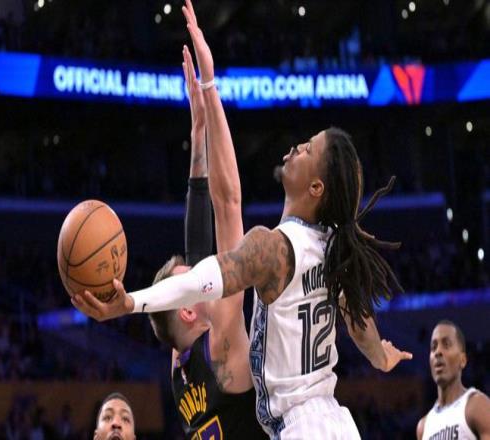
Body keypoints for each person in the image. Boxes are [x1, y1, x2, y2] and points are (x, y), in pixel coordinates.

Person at [72, 1, 413, 437]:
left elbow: (220, 226)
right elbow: (356, 318)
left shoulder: (271, 253)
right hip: (334, 421)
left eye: (308, 148)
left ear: (316, 188)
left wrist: (130, 303)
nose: (295, 147)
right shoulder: (332, 246)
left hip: (302, 427)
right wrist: (379, 356)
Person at [147, 42, 266, 439]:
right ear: (186, 312)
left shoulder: (178, 366)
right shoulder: (222, 341)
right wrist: (211, 85)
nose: (203, 271)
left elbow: (197, 247)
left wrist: (197, 135)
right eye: (195, 278)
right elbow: (229, 206)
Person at [416, 320, 490, 440]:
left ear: (463, 360)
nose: (438, 352)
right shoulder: (423, 427)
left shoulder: (477, 406)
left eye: (446, 345)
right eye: (433, 347)